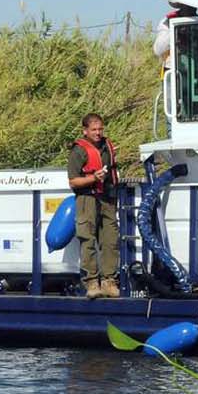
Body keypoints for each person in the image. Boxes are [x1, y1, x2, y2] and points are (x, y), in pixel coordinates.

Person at [66, 113, 120, 299]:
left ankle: (109, 281)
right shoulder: (78, 151)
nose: (98, 133)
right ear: (85, 131)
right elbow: (73, 181)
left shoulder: (106, 146)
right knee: (87, 239)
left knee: (110, 240)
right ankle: (91, 282)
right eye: (94, 130)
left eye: (100, 129)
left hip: (107, 198)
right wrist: (92, 178)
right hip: (87, 198)